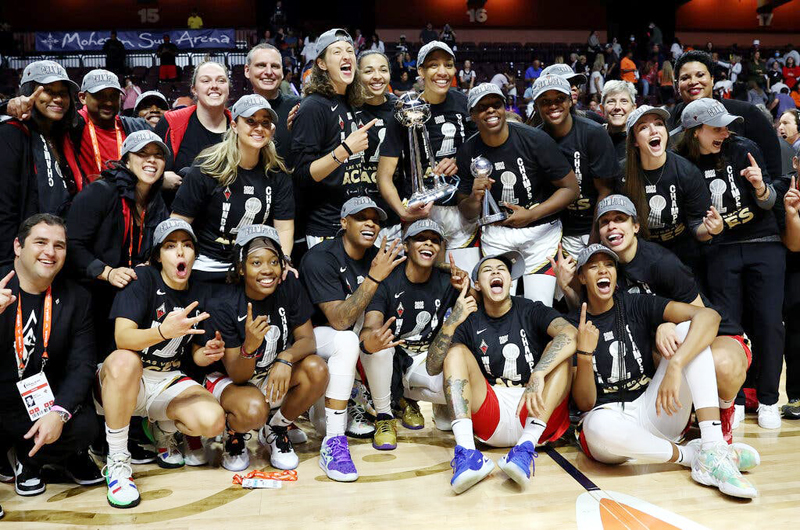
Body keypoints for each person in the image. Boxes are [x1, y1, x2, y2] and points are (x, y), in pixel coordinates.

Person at [555, 194, 753, 443]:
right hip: (662, 343)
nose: (612, 226)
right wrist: (569, 290)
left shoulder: (662, 264)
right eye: (604, 222)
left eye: (620, 219)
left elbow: (702, 317)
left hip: (718, 336)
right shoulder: (609, 269)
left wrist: (670, 332)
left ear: (636, 226)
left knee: (717, 362)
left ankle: (723, 416)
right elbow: (593, 319)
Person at [569, 244, 760, 499]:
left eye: (609, 265)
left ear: (616, 273)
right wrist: (584, 354)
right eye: (593, 266)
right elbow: (585, 402)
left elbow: (708, 317)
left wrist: (677, 362)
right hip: (611, 427)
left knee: (685, 331)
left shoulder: (636, 304)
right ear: (582, 277)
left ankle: (713, 445)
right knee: (595, 425)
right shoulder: (573, 324)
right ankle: (693, 456)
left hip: (653, 409)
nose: (603, 270)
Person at [97, 218, 225, 508]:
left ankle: (162, 430)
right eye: (170, 246)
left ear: (195, 254)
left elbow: (189, 347)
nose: (180, 252)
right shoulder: (142, 279)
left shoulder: (198, 289)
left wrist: (203, 354)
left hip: (166, 379)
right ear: (157, 255)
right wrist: (162, 331)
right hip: (127, 379)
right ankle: (117, 462)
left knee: (213, 421)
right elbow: (122, 338)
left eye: (187, 245)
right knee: (123, 361)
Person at [426, 251, 577, 493]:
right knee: (455, 352)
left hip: (535, 409)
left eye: (502, 269)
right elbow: (432, 366)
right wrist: (451, 322)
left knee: (559, 350)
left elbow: (571, 334)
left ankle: (525, 449)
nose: (496, 272)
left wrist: (538, 373)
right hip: (492, 412)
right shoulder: (470, 319)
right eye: (488, 270)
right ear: (477, 284)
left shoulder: (530, 309)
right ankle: (467, 454)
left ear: (510, 280)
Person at [673, 98, 784, 430]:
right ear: (695, 132)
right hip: (718, 251)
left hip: (762, 243)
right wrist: (709, 232)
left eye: (726, 125)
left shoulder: (743, 147)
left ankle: (768, 400)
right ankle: (731, 400)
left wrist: (760, 186)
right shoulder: (680, 162)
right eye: (716, 127)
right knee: (728, 326)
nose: (725, 131)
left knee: (768, 322)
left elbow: (768, 202)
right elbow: (691, 225)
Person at [201, 224, 327, 472]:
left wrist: (285, 357)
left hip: (269, 369)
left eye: (273, 261)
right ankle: (234, 434)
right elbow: (238, 375)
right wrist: (249, 345)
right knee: (253, 410)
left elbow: (307, 340)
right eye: (256, 263)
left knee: (317, 369)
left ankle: (276, 428)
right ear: (241, 268)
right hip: (231, 379)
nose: (267, 270)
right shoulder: (224, 304)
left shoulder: (288, 285)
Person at [299, 196, 405, 481]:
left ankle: (383, 416)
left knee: (382, 344)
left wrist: (372, 338)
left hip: (349, 339)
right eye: (361, 217)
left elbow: (373, 316)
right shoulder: (321, 257)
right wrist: (373, 279)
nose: (370, 222)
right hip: (312, 342)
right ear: (344, 223)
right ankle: (332, 442)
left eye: (375, 218)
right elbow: (339, 320)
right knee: (345, 339)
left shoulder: (377, 259)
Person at [0, 214, 103, 497]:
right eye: (41, 242)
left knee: (85, 427)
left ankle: (29, 460)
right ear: (18, 246)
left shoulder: (77, 298)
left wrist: (59, 413)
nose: (50, 252)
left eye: (59, 245)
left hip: (41, 402)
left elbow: (82, 364)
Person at [456, 83, 578, 304]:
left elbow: (571, 189)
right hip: (497, 234)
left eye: (496, 104)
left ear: (504, 107)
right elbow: (466, 212)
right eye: (483, 107)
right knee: (499, 306)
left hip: (540, 232)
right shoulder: (467, 151)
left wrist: (531, 215)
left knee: (539, 306)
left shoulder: (535, 140)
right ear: (472, 115)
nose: (491, 110)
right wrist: (475, 197)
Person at [359, 220, 465, 447]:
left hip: (426, 357)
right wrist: (371, 340)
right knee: (379, 347)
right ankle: (384, 416)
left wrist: (467, 285)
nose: (428, 243)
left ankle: (406, 398)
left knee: (456, 387)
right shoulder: (388, 280)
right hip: (393, 356)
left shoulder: (448, 281)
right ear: (407, 246)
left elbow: (477, 311)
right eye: (421, 238)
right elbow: (370, 325)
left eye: (435, 240)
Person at [377, 41, 480, 273]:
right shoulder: (405, 109)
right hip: (422, 213)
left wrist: (460, 161)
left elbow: (483, 150)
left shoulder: (465, 104)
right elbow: (384, 175)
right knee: (423, 288)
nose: (442, 72)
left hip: (462, 211)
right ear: (421, 71)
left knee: (466, 285)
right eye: (433, 65)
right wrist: (403, 212)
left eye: (448, 65)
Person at [66, 130, 170, 353]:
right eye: (143, 153)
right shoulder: (100, 192)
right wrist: (108, 272)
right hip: (90, 295)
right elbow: (72, 245)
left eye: (158, 155)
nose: (152, 159)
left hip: (126, 297)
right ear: (126, 160)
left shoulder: (158, 202)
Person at [171, 94, 293, 283]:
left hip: (254, 265)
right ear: (234, 126)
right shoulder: (207, 167)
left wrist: (284, 259)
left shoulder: (277, 172)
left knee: (291, 282)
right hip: (207, 263)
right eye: (251, 121)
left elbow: (284, 227)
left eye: (265, 122)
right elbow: (179, 222)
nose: (259, 128)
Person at [291, 29, 375, 247]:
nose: (346, 56)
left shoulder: (351, 101)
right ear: (321, 64)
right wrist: (345, 150)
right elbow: (301, 176)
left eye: (350, 50)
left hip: (356, 222)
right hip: (327, 228)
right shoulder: (313, 107)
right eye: (337, 52)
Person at [0, 61, 84, 267]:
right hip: (24, 257)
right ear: (29, 94)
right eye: (47, 91)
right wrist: (6, 265)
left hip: (61, 250)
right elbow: (5, 208)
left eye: (63, 92)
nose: (58, 98)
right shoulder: (11, 133)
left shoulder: (67, 134)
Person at [622, 105, 720, 269]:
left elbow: (697, 226)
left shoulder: (686, 171)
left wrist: (712, 229)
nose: (654, 131)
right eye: (644, 127)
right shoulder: (623, 174)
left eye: (659, 124)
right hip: (641, 252)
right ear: (634, 141)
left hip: (682, 252)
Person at [532, 75, 618, 257]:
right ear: (536, 106)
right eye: (545, 101)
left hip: (592, 227)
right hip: (552, 230)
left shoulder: (594, 134)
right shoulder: (534, 140)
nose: (553, 105)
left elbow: (605, 191)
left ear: (570, 101)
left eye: (560, 99)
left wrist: (593, 243)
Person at [670, 51, 782, 182]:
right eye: (685, 78)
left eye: (700, 75)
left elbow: (774, 169)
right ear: (677, 85)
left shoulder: (747, 113)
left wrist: (766, 196)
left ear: (712, 80)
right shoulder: (670, 121)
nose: (693, 82)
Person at [154, 61, 231, 195]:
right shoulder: (171, 122)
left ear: (228, 88)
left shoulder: (240, 128)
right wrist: (160, 179)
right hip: (175, 211)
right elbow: (146, 168)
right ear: (194, 89)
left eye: (221, 80)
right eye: (206, 81)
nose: (214, 86)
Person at [357, 50, 404, 240]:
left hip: (392, 213)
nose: (377, 77)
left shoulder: (400, 110)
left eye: (383, 70)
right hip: (356, 212)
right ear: (357, 74)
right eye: (369, 71)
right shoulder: (346, 108)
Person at [76, 69, 150, 182]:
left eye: (114, 96)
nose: (109, 102)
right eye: (100, 96)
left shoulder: (135, 127)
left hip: (127, 195)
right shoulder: (74, 124)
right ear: (83, 98)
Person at [244, 44, 301, 161]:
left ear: (282, 72)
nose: (269, 72)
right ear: (247, 70)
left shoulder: (300, 108)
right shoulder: (235, 115)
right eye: (261, 65)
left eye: (275, 66)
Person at [601, 80, 637, 164]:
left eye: (624, 101)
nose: (617, 107)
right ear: (602, 109)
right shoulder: (592, 138)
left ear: (633, 108)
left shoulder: (641, 140)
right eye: (611, 101)